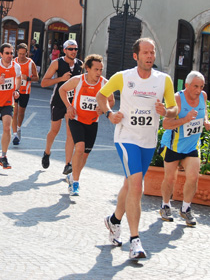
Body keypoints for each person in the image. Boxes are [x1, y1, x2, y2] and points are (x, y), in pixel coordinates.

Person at [96, 38, 178, 260]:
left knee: (129, 184)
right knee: (137, 185)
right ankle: (135, 241)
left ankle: (113, 220)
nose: (150, 56)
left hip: (148, 141)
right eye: (145, 53)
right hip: (126, 138)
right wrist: (110, 114)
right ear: (136, 56)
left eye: (152, 52)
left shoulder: (164, 80)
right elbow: (101, 96)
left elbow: (174, 108)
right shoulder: (123, 77)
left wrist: (167, 111)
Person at [159, 71, 210, 227]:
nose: (198, 90)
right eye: (195, 86)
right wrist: (185, 119)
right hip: (173, 145)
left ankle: (186, 208)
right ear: (187, 85)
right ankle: (165, 205)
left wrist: (206, 120)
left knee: (193, 177)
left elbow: (204, 111)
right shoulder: (177, 99)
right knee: (170, 179)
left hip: (192, 146)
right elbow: (166, 124)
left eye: (201, 86)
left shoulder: (203, 96)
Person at [60, 54, 114, 196]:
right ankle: (75, 184)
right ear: (88, 69)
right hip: (76, 119)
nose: (99, 73)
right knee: (80, 147)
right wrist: (69, 107)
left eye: (101, 69)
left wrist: (103, 109)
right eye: (96, 69)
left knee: (85, 155)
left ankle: (72, 177)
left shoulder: (104, 84)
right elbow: (62, 90)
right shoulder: (78, 80)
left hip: (92, 122)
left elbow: (111, 101)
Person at [41, 39, 83, 174]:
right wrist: (60, 79)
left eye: (75, 49)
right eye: (70, 49)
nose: (73, 51)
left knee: (70, 134)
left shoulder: (80, 65)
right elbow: (44, 83)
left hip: (72, 104)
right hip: (58, 102)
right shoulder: (57, 63)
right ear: (64, 50)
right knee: (54, 130)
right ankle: (47, 152)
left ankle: (67, 164)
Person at [11, 43, 39, 146]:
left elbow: (37, 78)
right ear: (17, 52)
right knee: (14, 112)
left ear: (27, 53)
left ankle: (18, 128)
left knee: (21, 113)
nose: (22, 56)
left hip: (25, 92)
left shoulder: (30, 63)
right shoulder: (13, 62)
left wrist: (27, 78)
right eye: (20, 54)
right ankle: (14, 135)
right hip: (14, 90)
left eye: (23, 54)